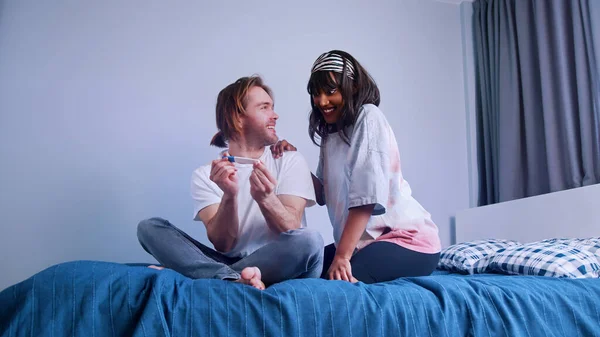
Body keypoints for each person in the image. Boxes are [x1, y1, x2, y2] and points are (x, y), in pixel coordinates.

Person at [137, 75, 324, 290]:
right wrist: (230, 195)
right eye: (264, 108)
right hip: (232, 262)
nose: (275, 116)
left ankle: (212, 276)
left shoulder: (289, 160)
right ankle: (232, 278)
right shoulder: (206, 175)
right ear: (238, 117)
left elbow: (292, 228)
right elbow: (223, 244)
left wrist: (266, 199)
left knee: (310, 241)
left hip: (285, 263)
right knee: (150, 228)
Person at [271, 50, 441, 284]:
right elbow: (322, 194)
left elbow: (367, 197)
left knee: (336, 285)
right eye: (316, 94)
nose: (322, 101)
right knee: (299, 272)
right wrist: (294, 159)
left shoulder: (369, 117)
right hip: (365, 244)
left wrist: (342, 256)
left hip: (406, 240)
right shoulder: (332, 134)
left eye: (331, 91)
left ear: (354, 87)